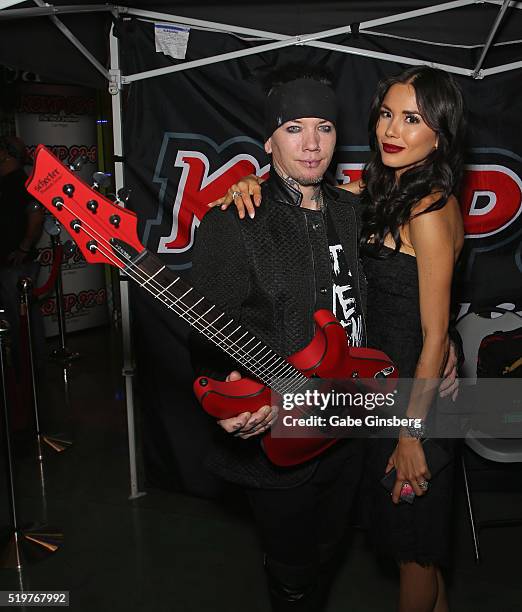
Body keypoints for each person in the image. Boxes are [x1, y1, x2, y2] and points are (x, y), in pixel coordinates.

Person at [211, 66, 465, 612]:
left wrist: (411, 436)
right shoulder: (376, 194)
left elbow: (435, 331)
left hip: (412, 410)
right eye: (387, 115)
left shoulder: (429, 207)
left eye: (413, 119)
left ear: (439, 133)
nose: (392, 130)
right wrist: (252, 179)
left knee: (413, 556)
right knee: (413, 549)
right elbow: (308, 192)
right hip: (372, 395)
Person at [190, 66, 369, 612]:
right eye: (294, 128)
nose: (312, 144)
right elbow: (207, 331)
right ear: (268, 140)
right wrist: (230, 394)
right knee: (293, 574)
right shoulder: (236, 218)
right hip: (278, 436)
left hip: (352, 419)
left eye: (324, 127)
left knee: (330, 549)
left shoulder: (354, 211)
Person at [0, 135, 45, 371]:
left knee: (22, 317)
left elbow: (36, 216)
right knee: (19, 315)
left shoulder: (20, 182)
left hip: (17, 263)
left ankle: (29, 366)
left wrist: (23, 247)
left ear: (7, 154)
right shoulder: (10, 182)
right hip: (11, 261)